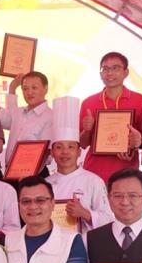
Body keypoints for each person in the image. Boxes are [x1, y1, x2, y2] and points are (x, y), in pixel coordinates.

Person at [46, 96, 113, 241]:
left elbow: (109, 220)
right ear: (52, 153)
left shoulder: (93, 181)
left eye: (71, 147)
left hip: (84, 246)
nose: (65, 152)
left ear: (79, 152)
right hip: (50, 246)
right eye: (59, 147)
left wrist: (85, 214)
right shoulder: (45, 183)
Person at [78, 52, 142, 184]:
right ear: (100, 74)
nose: (109, 73)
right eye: (105, 69)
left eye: (115, 68)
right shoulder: (89, 102)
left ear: (126, 72)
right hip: (94, 173)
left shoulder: (140, 101)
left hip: (127, 173)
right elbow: (82, 144)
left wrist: (138, 142)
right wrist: (87, 130)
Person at [0, 71, 52, 171]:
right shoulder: (19, 112)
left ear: (46, 89)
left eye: (34, 88)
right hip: (10, 171)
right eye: (25, 88)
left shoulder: (50, 116)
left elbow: (47, 153)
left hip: (34, 172)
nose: (29, 92)